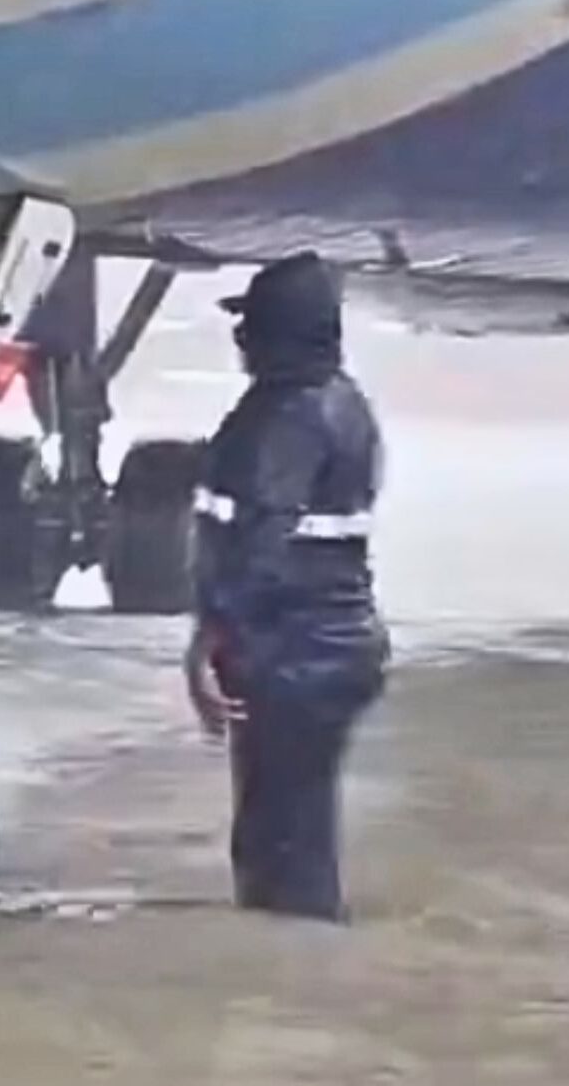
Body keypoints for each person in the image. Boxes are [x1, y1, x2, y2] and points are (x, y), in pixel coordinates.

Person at [184, 251, 390, 923]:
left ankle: (301, 970)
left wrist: (211, 644)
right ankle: (302, 966)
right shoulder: (343, 401)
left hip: (292, 652)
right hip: (335, 646)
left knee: (278, 852)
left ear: (275, 335)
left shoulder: (282, 417)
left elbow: (259, 547)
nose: (239, 340)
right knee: (295, 833)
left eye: (250, 326)